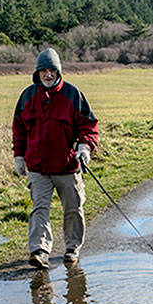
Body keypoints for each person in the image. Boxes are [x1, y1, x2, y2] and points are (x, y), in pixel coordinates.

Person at [11, 48, 99, 268]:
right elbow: (19, 129)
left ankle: (72, 248)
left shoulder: (72, 94)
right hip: (38, 167)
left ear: (59, 72)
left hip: (67, 165)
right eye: (44, 71)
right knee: (39, 208)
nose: (48, 75)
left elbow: (89, 125)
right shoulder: (28, 96)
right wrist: (19, 156)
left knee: (73, 208)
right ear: (37, 73)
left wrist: (85, 147)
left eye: (52, 70)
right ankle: (40, 251)